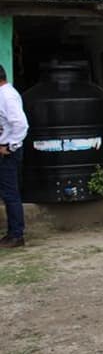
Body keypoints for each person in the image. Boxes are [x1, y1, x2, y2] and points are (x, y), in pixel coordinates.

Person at [0, 65, 28, 248]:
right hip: (5, 150)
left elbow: (20, 124)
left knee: (10, 194)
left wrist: (9, 147)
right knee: (7, 193)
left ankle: (16, 235)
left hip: (7, 153)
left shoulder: (6, 96)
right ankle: (12, 233)